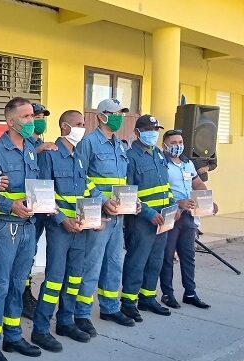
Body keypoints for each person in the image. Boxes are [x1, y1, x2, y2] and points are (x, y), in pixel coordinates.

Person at [0, 97, 42, 361]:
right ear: (11, 121)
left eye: (32, 116)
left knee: (18, 283)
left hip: (28, 226)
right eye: (26, 117)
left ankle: (13, 336)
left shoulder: (31, 149)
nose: (32, 121)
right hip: (5, 226)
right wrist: (9, 205)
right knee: (0, 284)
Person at [31, 110, 100, 352]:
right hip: (60, 228)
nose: (82, 128)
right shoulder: (50, 154)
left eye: (83, 124)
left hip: (80, 227)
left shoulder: (78, 155)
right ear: (64, 127)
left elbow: (89, 187)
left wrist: (101, 209)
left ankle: (66, 321)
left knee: (74, 277)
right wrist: (61, 219)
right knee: (54, 278)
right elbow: (43, 193)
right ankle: (40, 329)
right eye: (78, 124)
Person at [73, 98, 136, 336]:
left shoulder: (119, 145)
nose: (119, 117)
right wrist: (102, 201)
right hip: (98, 214)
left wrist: (132, 199)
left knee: (113, 262)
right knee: (91, 264)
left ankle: (110, 307)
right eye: (115, 113)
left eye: (122, 113)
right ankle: (81, 312)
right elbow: (80, 177)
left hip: (119, 213)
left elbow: (122, 180)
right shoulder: (89, 143)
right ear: (101, 116)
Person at [119, 115, 172, 322]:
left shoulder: (159, 154)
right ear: (138, 132)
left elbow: (165, 186)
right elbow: (129, 192)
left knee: (155, 260)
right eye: (150, 130)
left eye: (156, 129)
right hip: (142, 219)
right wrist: (149, 213)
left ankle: (148, 297)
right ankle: (129, 302)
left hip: (163, 218)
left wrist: (172, 207)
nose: (154, 134)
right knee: (137, 260)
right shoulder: (130, 156)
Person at [159, 129, 215, 309]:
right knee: (167, 256)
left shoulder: (187, 163)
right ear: (165, 145)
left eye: (180, 142)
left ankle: (190, 293)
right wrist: (177, 202)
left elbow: (196, 183)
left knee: (188, 255)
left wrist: (207, 200)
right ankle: (167, 294)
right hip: (171, 214)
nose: (178, 145)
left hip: (188, 216)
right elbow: (159, 189)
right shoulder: (160, 163)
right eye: (174, 142)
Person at [21, 103, 59, 320]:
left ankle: (26, 292)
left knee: (32, 252)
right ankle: (21, 295)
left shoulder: (44, 143)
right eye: (36, 115)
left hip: (43, 207)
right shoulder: (25, 143)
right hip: (26, 207)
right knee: (25, 254)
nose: (40, 119)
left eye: (43, 116)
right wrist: (38, 150)